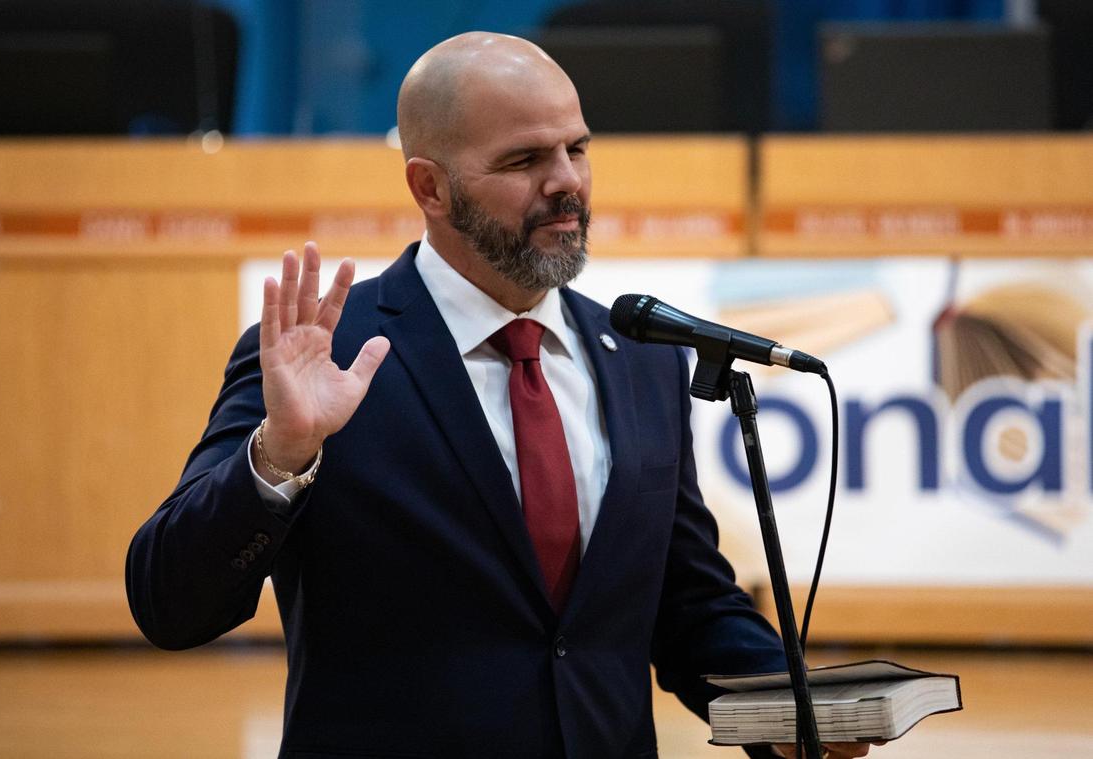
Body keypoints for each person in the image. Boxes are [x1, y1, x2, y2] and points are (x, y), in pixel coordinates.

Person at [127, 32, 875, 759]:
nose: (566, 182)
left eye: (576, 149)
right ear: (430, 187)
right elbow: (169, 602)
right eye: (524, 159)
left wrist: (788, 705)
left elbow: (687, 602)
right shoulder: (327, 357)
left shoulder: (641, 362)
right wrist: (280, 455)